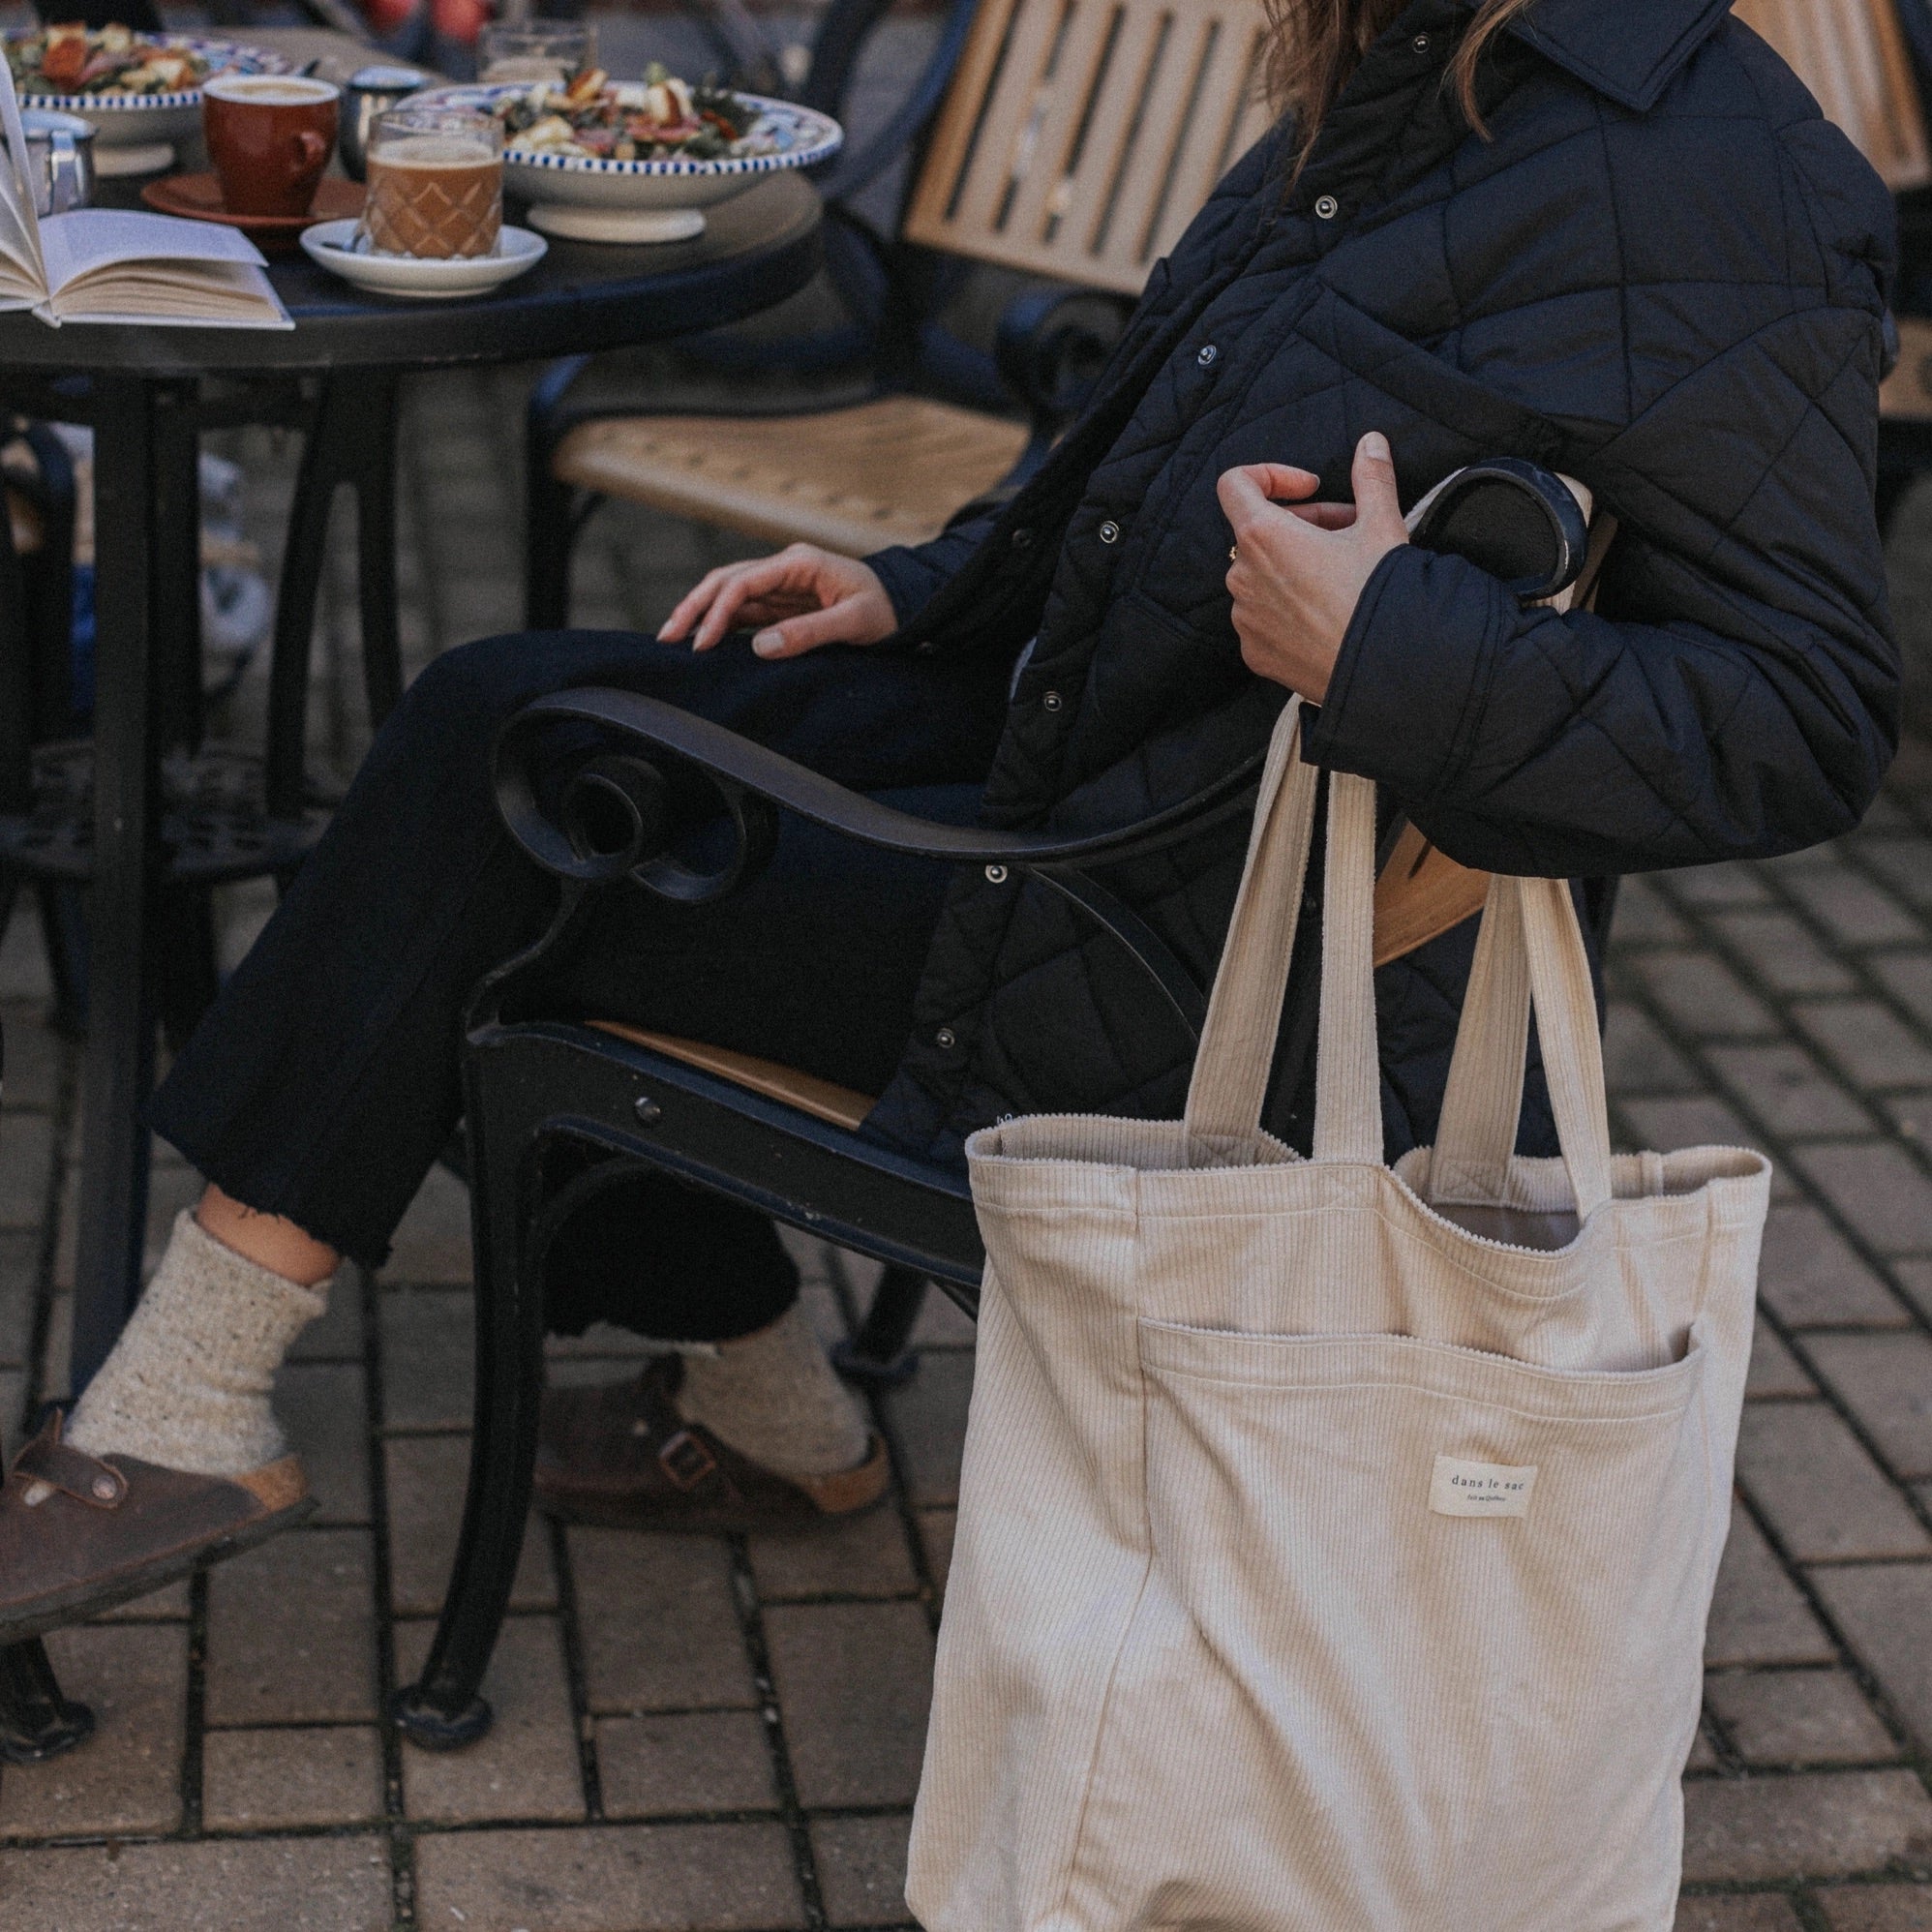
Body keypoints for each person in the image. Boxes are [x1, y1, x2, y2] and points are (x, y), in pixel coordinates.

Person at [0, 0, 1899, 1629]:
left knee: (533, 818)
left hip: (1177, 947)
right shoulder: (1405, 71)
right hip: (1075, 760)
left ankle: (184, 1409)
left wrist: (1386, 635)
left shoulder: (1711, 176)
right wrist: (925, 583)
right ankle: (747, 1410)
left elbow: (1801, 717)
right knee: (516, 716)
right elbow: (1168, 434)